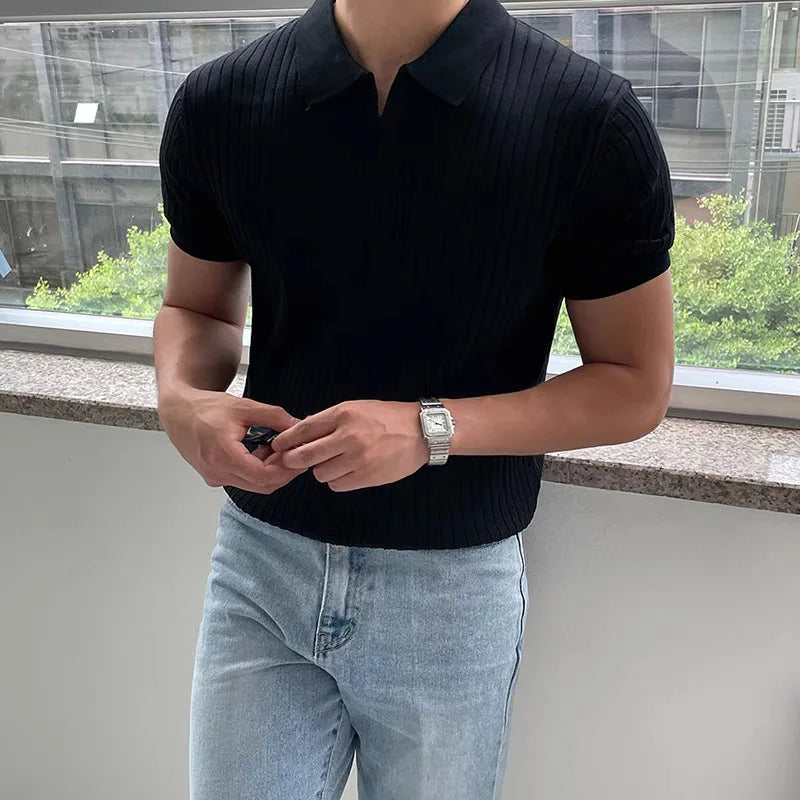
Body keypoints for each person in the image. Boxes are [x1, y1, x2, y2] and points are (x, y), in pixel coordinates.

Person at [154, 0, 675, 797]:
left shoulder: (586, 118)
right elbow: (197, 309)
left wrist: (430, 428)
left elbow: (635, 383)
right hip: (259, 565)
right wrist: (181, 400)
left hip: (451, 589)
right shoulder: (220, 102)